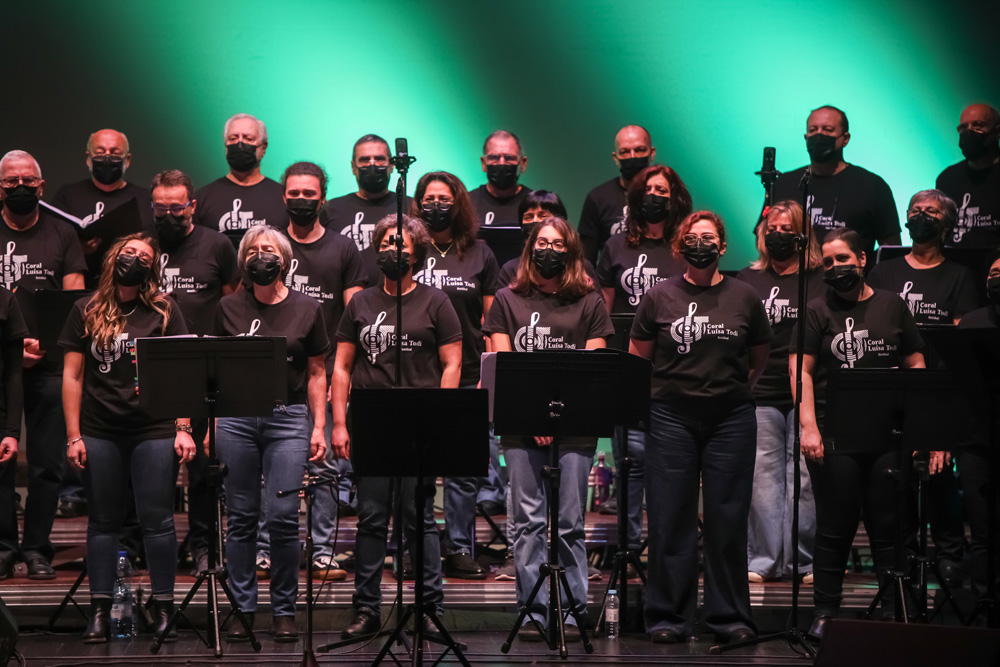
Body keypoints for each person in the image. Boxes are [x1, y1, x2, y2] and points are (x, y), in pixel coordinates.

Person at [630, 211, 772, 644]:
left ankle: (729, 617)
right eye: (692, 237)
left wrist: (729, 392)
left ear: (723, 247)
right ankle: (668, 617)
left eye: (709, 237)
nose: (701, 244)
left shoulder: (745, 295)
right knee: (671, 516)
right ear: (680, 247)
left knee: (727, 518)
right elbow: (639, 358)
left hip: (730, 418)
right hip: (670, 417)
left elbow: (757, 359)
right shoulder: (659, 296)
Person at [792, 228, 929, 639]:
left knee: (889, 526)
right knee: (835, 527)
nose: (836, 267)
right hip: (834, 437)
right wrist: (809, 428)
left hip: (888, 436)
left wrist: (919, 427)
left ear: (862, 260)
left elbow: (916, 364)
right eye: (828, 262)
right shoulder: (815, 310)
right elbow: (801, 372)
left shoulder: (892, 305)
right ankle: (824, 613)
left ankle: (894, 610)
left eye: (843, 259)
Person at [332, 214, 463, 638]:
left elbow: (452, 364)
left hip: (420, 420)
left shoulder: (436, 301)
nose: (394, 250)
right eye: (387, 243)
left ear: (417, 253)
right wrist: (339, 423)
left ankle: (428, 609)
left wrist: (441, 417)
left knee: (418, 518)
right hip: (371, 419)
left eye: (402, 244)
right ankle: (367, 610)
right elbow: (342, 366)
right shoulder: (360, 303)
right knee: (371, 519)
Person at [59, 233, 194, 642]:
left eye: (144, 257)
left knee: (157, 520)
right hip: (100, 430)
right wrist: (73, 436)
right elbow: (72, 376)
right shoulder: (85, 308)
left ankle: (164, 608)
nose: (134, 259)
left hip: (153, 428)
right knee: (103, 521)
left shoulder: (165, 310)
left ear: (152, 269)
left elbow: (182, 373)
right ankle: (100, 612)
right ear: (113, 258)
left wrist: (183, 428)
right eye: (128, 252)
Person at [483, 217, 613, 640]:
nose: (549, 250)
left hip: (575, 428)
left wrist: (557, 420)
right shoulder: (506, 299)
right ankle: (533, 611)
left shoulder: (590, 302)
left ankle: (573, 612)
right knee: (528, 522)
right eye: (542, 242)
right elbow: (503, 367)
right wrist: (537, 418)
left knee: (570, 522)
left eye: (558, 244)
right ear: (530, 249)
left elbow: (594, 372)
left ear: (571, 252)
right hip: (521, 426)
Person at [214, 225, 330, 643]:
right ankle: (243, 608)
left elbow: (317, 372)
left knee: (282, 517)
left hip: (288, 418)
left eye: (268, 250)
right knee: (241, 518)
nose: (260, 256)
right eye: (252, 250)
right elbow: (215, 370)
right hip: (236, 420)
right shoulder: (227, 307)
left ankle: (284, 610)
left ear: (284, 260)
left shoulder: (308, 307)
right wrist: (211, 424)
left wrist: (319, 426)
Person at [252, 162, 366, 582]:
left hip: (324, 371)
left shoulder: (343, 249)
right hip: (272, 378)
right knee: (267, 470)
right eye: (294, 193)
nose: (301, 200)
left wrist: (340, 377)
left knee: (324, 466)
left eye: (309, 194)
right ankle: (264, 551)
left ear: (323, 198)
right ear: (284, 196)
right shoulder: (267, 245)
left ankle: (321, 552)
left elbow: (354, 315)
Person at [867, 189, 980, 587]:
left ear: (946, 223)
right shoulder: (883, 272)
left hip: (938, 388)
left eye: (930, 211)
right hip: (892, 390)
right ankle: (903, 558)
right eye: (915, 210)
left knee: (940, 474)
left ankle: (949, 556)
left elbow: (961, 338)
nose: (921, 216)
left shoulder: (959, 276)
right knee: (895, 477)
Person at [594, 164, 691, 561]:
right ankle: (629, 548)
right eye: (649, 190)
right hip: (629, 365)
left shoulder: (684, 246)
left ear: (675, 198)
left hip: (674, 367)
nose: (655, 196)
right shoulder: (617, 246)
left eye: (663, 190)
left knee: (667, 464)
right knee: (630, 461)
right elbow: (603, 308)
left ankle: (669, 549)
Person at [0, 150, 87, 581]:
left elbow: (76, 302)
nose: (20, 187)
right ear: (0, 187)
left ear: (41, 184)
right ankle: (3, 547)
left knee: (47, 465)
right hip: (1, 363)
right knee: (0, 460)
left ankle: (36, 548)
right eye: (11, 181)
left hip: (49, 363)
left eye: (27, 181)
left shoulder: (63, 233)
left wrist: (43, 346)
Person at [410, 171, 500, 580]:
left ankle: (460, 546)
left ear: (458, 203)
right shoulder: (410, 249)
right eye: (428, 199)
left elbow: (492, 320)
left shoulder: (480, 253)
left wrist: (488, 377)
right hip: (417, 375)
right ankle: (416, 547)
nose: (436, 206)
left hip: (466, 375)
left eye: (444, 199)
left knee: (464, 470)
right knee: (417, 469)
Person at [150, 169, 240, 575]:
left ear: (192, 206)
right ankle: (151, 548)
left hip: (204, 373)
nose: (169, 215)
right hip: (155, 372)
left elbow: (233, 307)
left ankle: (205, 548)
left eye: (176, 208)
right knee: (155, 467)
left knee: (203, 469)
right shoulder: (143, 245)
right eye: (160, 208)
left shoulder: (216, 245)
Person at [736, 201, 825, 584]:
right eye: (772, 228)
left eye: (787, 229)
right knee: (764, 479)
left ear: (803, 235)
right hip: (762, 391)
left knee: (805, 479)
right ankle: (764, 560)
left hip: (809, 393)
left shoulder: (819, 278)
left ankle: (804, 561)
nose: (778, 235)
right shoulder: (747, 279)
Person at [772, 106, 901, 263]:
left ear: (845, 138)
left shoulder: (873, 186)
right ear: (806, 138)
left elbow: (890, 249)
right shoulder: (785, 183)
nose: (819, 135)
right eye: (813, 130)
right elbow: (765, 237)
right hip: (795, 276)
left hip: (850, 277)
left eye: (828, 130)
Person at [52, 128, 154, 288]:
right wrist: (77, 249)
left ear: (127, 160)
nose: (107, 158)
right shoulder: (67, 195)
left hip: (131, 289)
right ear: (88, 158)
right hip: (79, 286)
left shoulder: (145, 198)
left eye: (115, 153)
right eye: (100, 153)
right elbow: (52, 243)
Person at [956, 249, 1000, 599]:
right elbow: (953, 384)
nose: (996, 278)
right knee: (982, 531)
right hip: (975, 443)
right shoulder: (970, 323)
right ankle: (984, 604)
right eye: (993, 273)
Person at [193, 113, 287, 248]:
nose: (240, 144)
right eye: (233, 138)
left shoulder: (282, 197)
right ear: (225, 145)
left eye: (248, 139)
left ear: (263, 147)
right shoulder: (202, 199)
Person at [578, 125, 656, 264]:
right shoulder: (598, 198)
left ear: (652, 153)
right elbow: (586, 260)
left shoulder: (668, 196)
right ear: (615, 157)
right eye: (625, 152)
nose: (632, 156)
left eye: (640, 150)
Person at [325, 134, 411, 253]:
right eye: (365, 160)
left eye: (379, 159)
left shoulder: (410, 207)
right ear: (353, 167)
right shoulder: (330, 209)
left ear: (392, 165)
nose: (372, 165)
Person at [937, 104, 1000, 250]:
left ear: (997, 131)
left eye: (978, 125)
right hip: (956, 261)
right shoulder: (947, 179)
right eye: (963, 128)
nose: (969, 132)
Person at [0, 286, 28, 581]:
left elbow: (14, 373)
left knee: (2, 491)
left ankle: (5, 553)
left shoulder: (5, 300)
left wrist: (11, 431)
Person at [468, 130, 532, 228]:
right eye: (494, 157)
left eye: (509, 158)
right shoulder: (466, 204)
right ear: (483, 163)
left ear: (523, 163)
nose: (501, 163)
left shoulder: (536, 205)